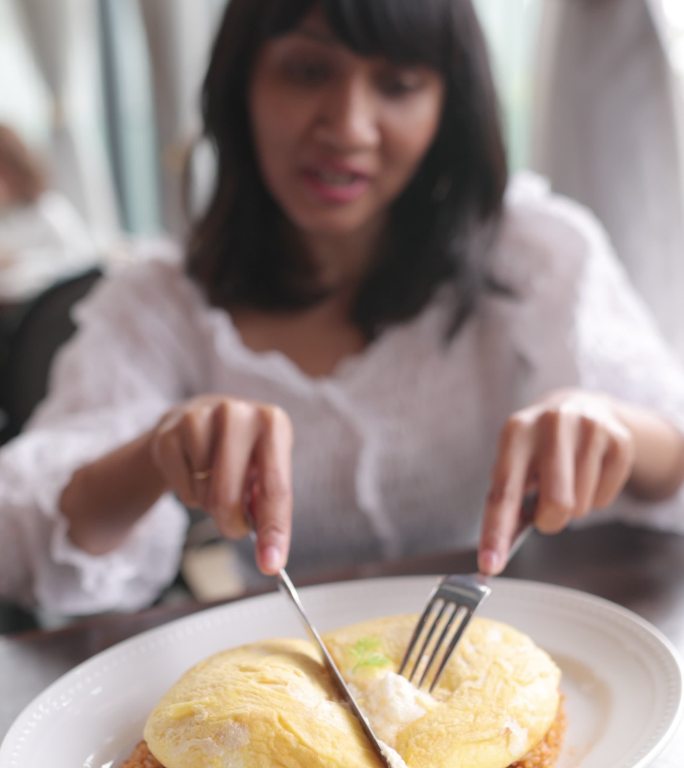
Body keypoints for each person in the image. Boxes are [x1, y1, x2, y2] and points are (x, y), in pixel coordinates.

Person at [1, 0, 684, 618]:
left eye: (398, 84)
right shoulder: (156, 302)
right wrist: (156, 451)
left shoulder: (536, 249)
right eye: (306, 72)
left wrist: (612, 426)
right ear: (241, 85)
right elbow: (22, 550)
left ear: (450, 104)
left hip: (515, 644)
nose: (349, 127)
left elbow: (672, 459)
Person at [0, 123, 95, 304]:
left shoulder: (50, 210)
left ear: (14, 168)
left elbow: (83, 264)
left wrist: (16, 261)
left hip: (44, 314)